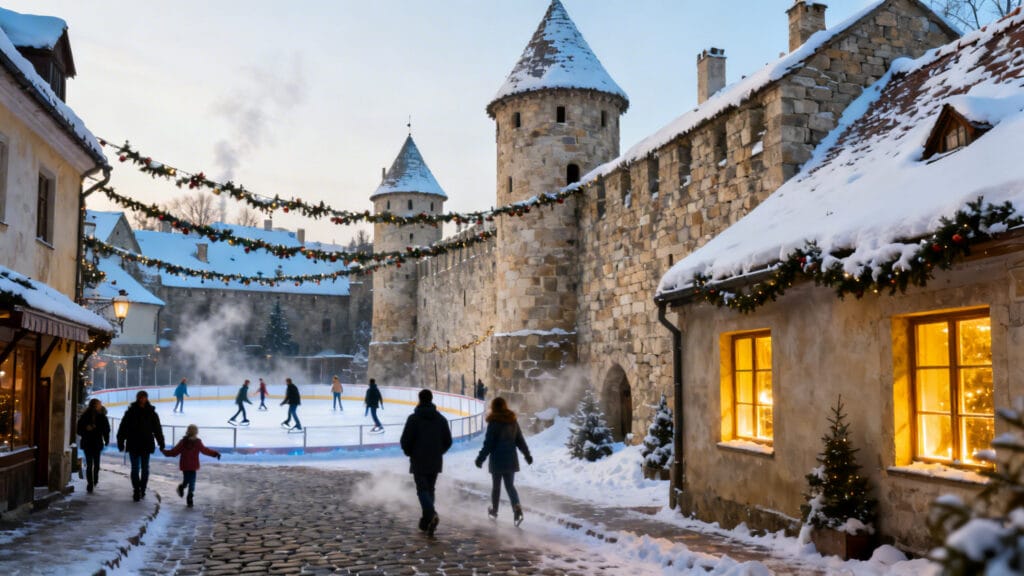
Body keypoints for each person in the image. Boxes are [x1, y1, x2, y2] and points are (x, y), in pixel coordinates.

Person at [400, 389, 453, 537]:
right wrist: (439, 452)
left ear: (420, 399)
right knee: (430, 490)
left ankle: (431, 514)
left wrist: (410, 452)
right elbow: (448, 441)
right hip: (435, 460)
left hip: (418, 459)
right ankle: (426, 521)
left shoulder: (413, 419)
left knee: (422, 490)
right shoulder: (441, 419)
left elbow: (405, 440)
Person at [475, 397, 533, 526]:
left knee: (496, 487)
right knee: (510, 486)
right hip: (511, 459)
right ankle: (516, 507)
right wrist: (527, 455)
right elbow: (520, 440)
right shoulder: (513, 421)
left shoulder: (494, 423)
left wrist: (480, 458)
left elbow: (488, 444)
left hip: (497, 460)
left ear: (494, 407)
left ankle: (494, 511)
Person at [116, 390, 166, 502]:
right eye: (140, 397)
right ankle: (136, 490)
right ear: (137, 398)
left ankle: (142, 488)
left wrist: (161, 442)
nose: (142, 399)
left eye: (144, 397)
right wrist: (120, 441)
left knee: (145, 469)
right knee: (135, 468)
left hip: (146, 444)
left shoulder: (152, 413)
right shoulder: (130, 412)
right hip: (133, 443)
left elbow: (157, 429)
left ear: (147, 398)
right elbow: (123, 428)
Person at [161, 424, 221, 508]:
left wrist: (164, 452)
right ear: (196, 432)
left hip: (188, 465)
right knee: (189, 482)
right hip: (190, 465)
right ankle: (185, 491)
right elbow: (205, 451)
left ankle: (188, 495)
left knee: (188, 481)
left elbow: (174, 452)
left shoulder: (189, 442)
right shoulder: (190, 442)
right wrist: (215, 454)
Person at [77, 398, 110, 493]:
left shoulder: (102, 416)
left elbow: (106, 430)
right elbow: (79, 430)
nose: (101, 405)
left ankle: (95, 478)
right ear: (94, 405)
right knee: (90, 464)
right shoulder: (85, 416)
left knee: (96, 464)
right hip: (88, 443)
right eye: (99, 404)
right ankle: (90, 483)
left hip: (96, 443)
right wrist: (86, 429)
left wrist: (106, 439)